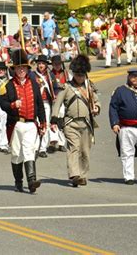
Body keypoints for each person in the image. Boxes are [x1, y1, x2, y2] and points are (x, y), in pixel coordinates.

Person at [0, 49, 46, 193]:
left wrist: (43, 122)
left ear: (27, 69)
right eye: (18, 68)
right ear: (14, 69)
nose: (21, 70)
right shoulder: (7, 86)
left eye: (23, 67)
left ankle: (32, 181)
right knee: (16, 154)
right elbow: (3, 104)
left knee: (28, 150)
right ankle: (18, 181)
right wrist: (13, 105)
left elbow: (39, 104)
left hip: (31, 123)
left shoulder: (34, 84)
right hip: (16, 124)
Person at [51, 55, 100, 187]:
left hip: (86, 123)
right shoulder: (66, 87)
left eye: (82, 75)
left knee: (85, 151)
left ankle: (83, 175)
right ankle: (74, 175)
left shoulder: (89, 87)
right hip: (70, 123)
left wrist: (96, 108)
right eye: (78, 75)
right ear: (74, 74)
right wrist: (54, 119)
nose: (80, 77)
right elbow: (57, 103)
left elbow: (96, 101)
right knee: (73, 149)